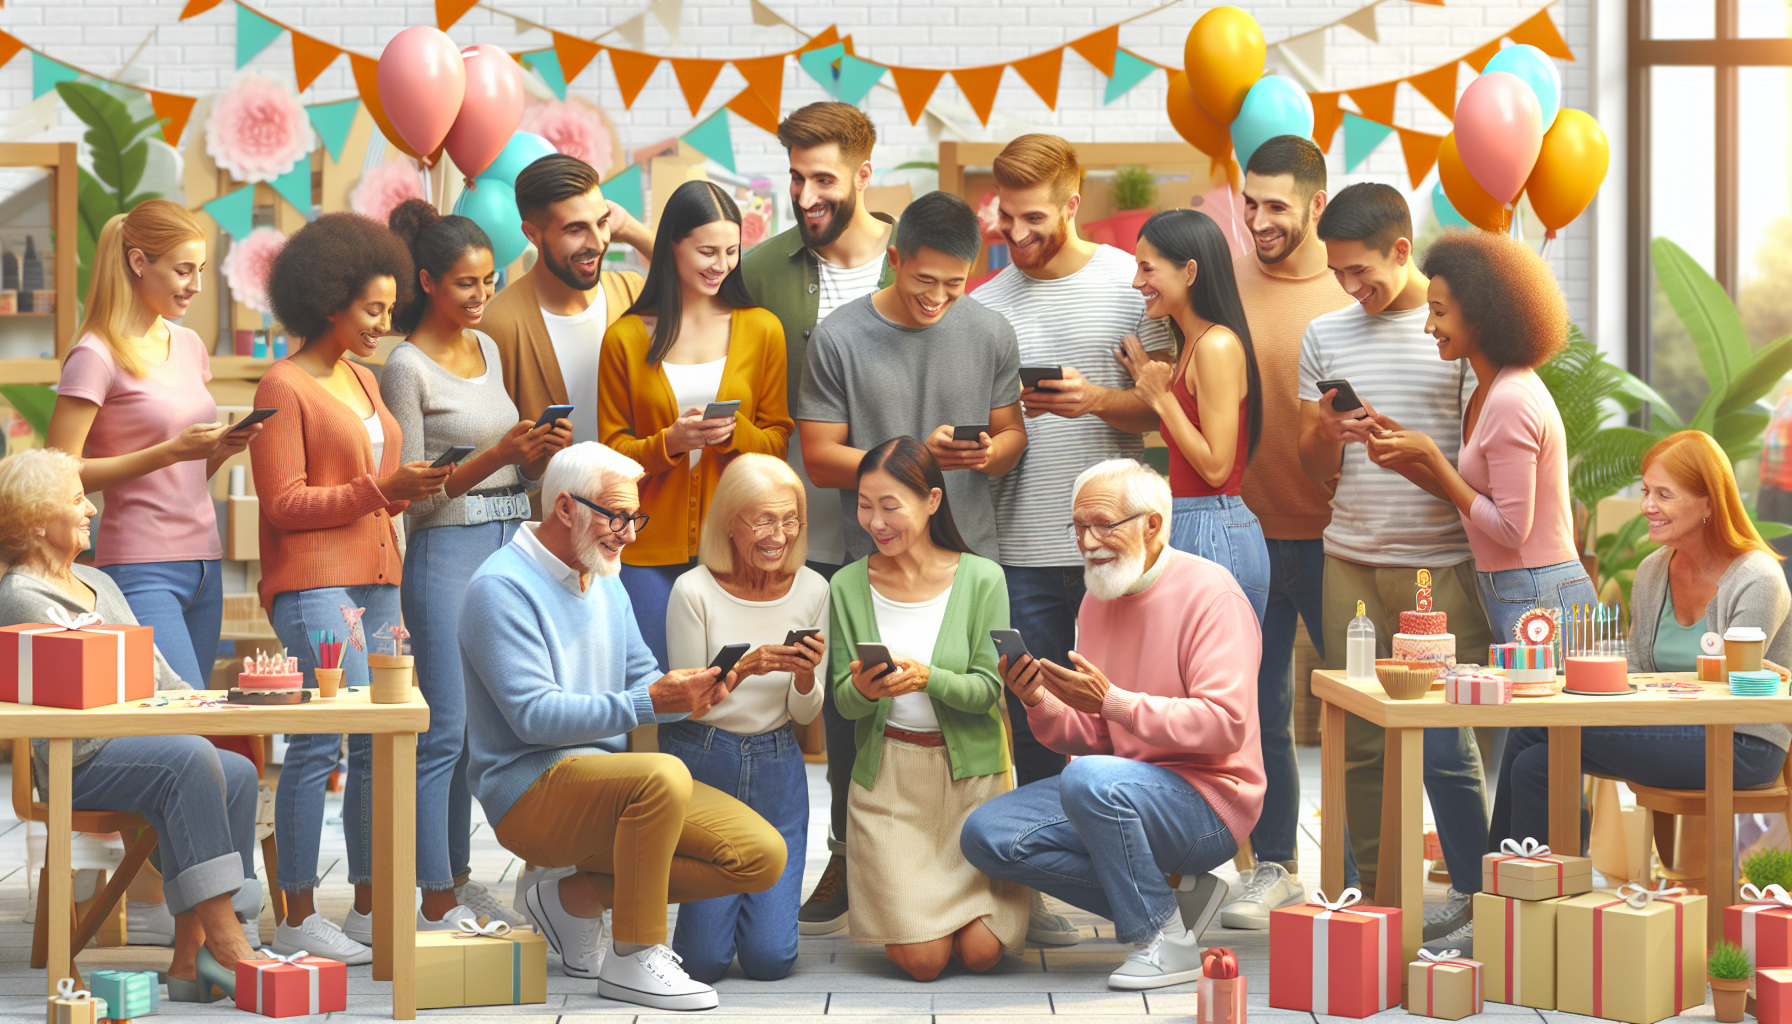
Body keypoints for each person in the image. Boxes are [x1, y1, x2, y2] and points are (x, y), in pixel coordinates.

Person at [460, 441, 785, 1010]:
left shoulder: (603, 574)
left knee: (760, 856)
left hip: (610, 781)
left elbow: (643, 679)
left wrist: (693, 695)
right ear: (565, 508)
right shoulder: (499, 589)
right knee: (660, 775)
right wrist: (650, 702)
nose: (630, 534)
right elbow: (534, 717)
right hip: (526, 789)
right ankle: (634, 955)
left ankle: (572, 898)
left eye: (635, 516)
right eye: (617, 516)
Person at [44, 199, 265, 943]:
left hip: (203, 564)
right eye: (183, 268)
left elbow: (184, 465)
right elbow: (59, 472)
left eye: (201, 269)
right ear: (137, 262)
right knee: (186, 747)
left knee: (201, 746)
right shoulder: (95, 353)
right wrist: (167, 453)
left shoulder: (188, 345)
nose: (196, 283)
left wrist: (216, 450)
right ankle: (216, 937)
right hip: (139, 568)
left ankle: (193, 951)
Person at [962, 458, 1264, 990]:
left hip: (1210, 802)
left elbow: (1226, 724)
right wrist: (1040, 701)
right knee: (987, 836)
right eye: (1078, 526)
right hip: (1120, 790)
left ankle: (1164, 939)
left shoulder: (1212, 594)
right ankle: (1170, 904)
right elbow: (1096, 734)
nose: (1087, 540)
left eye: (1103, 524)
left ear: (1152, 525)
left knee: (1087, 777)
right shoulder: (1098, 596)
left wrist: (1116, 703)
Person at [253, 213, 452, 964]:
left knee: (374, 746)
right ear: (326, 300)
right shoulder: (283, 384)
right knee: (317, 742)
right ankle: (299, 914)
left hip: (376, 581)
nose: (385, 321)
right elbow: (284, 504)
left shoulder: (365, 377)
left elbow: (373, 490)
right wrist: (379, 488)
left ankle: (368, 905)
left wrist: (406, 488)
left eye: (389, 308)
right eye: (372, 308)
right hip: (314, 586)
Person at [1297, 183, 1489, 946]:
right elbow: (1315, 469)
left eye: (1360, 271)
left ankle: (1477, 895)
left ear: (1402, 250)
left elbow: (1479, 465)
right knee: (1361, 746)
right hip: (1347, 557)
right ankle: (1380, 903)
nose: (1350, 287)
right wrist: (1324, 431)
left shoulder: (1455, 334)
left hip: (1438, 567)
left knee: (1445, 744)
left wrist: (1419, 453)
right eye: (1338, 272)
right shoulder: (1325, 333)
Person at [0, 449, 259, 1002]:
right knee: (188, 760)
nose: (91, 509)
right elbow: (83, 690)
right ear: (39, 520)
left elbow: (158, 674)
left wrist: (210, 706)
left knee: (233, 769)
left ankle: (189, 960)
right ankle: (229, 940)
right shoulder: (21, 595)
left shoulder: (98, 582)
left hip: (137, 745)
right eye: (76, 500)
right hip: (81, 759)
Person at [380, 199, 572, 931]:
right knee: (445, 730)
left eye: (489, 282)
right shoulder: (405, 367)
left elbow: (503, 478)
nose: (482, 296)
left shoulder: (489, 350)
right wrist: (498, 455)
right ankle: (433, 896)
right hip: (446, 549)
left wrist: (532, 460)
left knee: (485, 730)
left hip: (507, 540)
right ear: (426, 281)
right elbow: (415, 499)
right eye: (466, 284)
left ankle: (457, 879)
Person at [973, 136, 1175, 794]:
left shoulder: (1128, 284)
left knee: (1121, 713)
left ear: (1072, 205)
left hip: (1115, 547)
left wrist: (1093, 400)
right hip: (1021, 550)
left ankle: (1125, 855)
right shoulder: (987, 302)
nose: (1019, 232)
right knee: (1032, 716)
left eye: (1035, 217)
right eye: (1008, 216)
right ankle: (1044, 858)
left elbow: (1163, 414)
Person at [741, 102, 895, 934]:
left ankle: (913, 861)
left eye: (823, 178)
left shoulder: (917, 260)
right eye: (795, 177)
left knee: (910, 700)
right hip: (804, 535)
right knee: (833, 707)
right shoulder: (764, 268)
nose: (805, 194)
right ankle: (840, 856)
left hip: (905, 530)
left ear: (866, 174)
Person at [1491, 431, 1790, 845]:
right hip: (1670, 726)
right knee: (1535, 760)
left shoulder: (1757, 579)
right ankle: (1526, 889)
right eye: (1646, 490)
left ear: (1709, 502)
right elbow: (1636, 667)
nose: (1647, 506)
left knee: (1539, 732)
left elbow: (1735, 686)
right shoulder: (1654, 570)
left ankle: (1510, 895)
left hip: (1740, 743)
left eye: (1664, 494)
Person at [829, 437, 1027, 981]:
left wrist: (929, 678)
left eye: (890, 505)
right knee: (923, 962)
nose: (876, 521)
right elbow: (843, 704)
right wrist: (867, 691)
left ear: (932, 501)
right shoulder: (847, 585)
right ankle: (923, 921)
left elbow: (990, 689)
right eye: (865, 505)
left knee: (983, 953)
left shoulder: (983, 577)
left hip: (972, 785)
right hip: (890, 783)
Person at [1217, 135, 1352, 928]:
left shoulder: (1352, 286)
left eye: (1276, 206)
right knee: (1262, 709)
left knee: (1360, 707)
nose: (1259, 220)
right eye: (1250, 202)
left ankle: (1366, 866)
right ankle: (1276, 864)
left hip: (1344, 539)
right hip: (1250, 533)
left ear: (1315, 206)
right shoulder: (1226, 283)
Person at [1365, 230, 1598, 654]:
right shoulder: (1488, 392)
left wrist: (1433, 457)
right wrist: (1405, 455)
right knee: (1529, 720)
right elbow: (1473, 500)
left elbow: (1510, 530)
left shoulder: (1510, 399)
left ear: (1480, 317)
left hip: (1539, 590)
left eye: (1438, 312)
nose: (1428, 326)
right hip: (1518, 585)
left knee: (1542, 721)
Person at [599, 180, 793, 671]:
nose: (720, 264)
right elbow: (609, 453)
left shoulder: (762, 329)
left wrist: (736, 435)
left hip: (739, 548)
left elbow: (777, 445)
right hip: (645, 551)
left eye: (731, 251)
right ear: (672, 246)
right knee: (660, 688)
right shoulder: (624, 337)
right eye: (707, 250)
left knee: (735, 687)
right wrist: (670, 443)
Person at [662, 454, 829, 982]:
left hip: (778, 758)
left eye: (790, 519)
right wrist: (746, 668)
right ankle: (716, 918)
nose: (779, 535)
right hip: (704, 753)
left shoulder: (812, 590)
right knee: (703, 962)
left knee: (771, 960)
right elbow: (688, 702)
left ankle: (751, 918)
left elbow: (806, 712)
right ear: (730, 522)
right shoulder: (693, 590)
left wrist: (804, 679)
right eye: (763, 520)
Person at [799, 190, 1025, 565]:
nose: (937, 296)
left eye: (954, 283)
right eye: (925, 279)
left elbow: (1012, 437)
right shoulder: (837, 337)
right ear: (895, 260)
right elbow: (819, 462)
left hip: (971, 562)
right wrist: (914, 462)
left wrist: (988, 453)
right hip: (874, 565)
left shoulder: (992, 333)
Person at [1123, 209, 1268, 623]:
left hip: (1214, 527)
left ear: (1189, 271)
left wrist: (1161, 399)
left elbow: (1217, 467)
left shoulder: (1215, 345)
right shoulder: (1192, 343)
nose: (1138, 282)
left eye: (1147, 268)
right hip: (1193, 521)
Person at [482, 153, 655, 438]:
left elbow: (698, 290)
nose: (598, 244)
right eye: (576, 230)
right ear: (532, 234)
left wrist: (632, 229)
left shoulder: (631, 292)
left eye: (602, 223)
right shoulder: (497, 325)